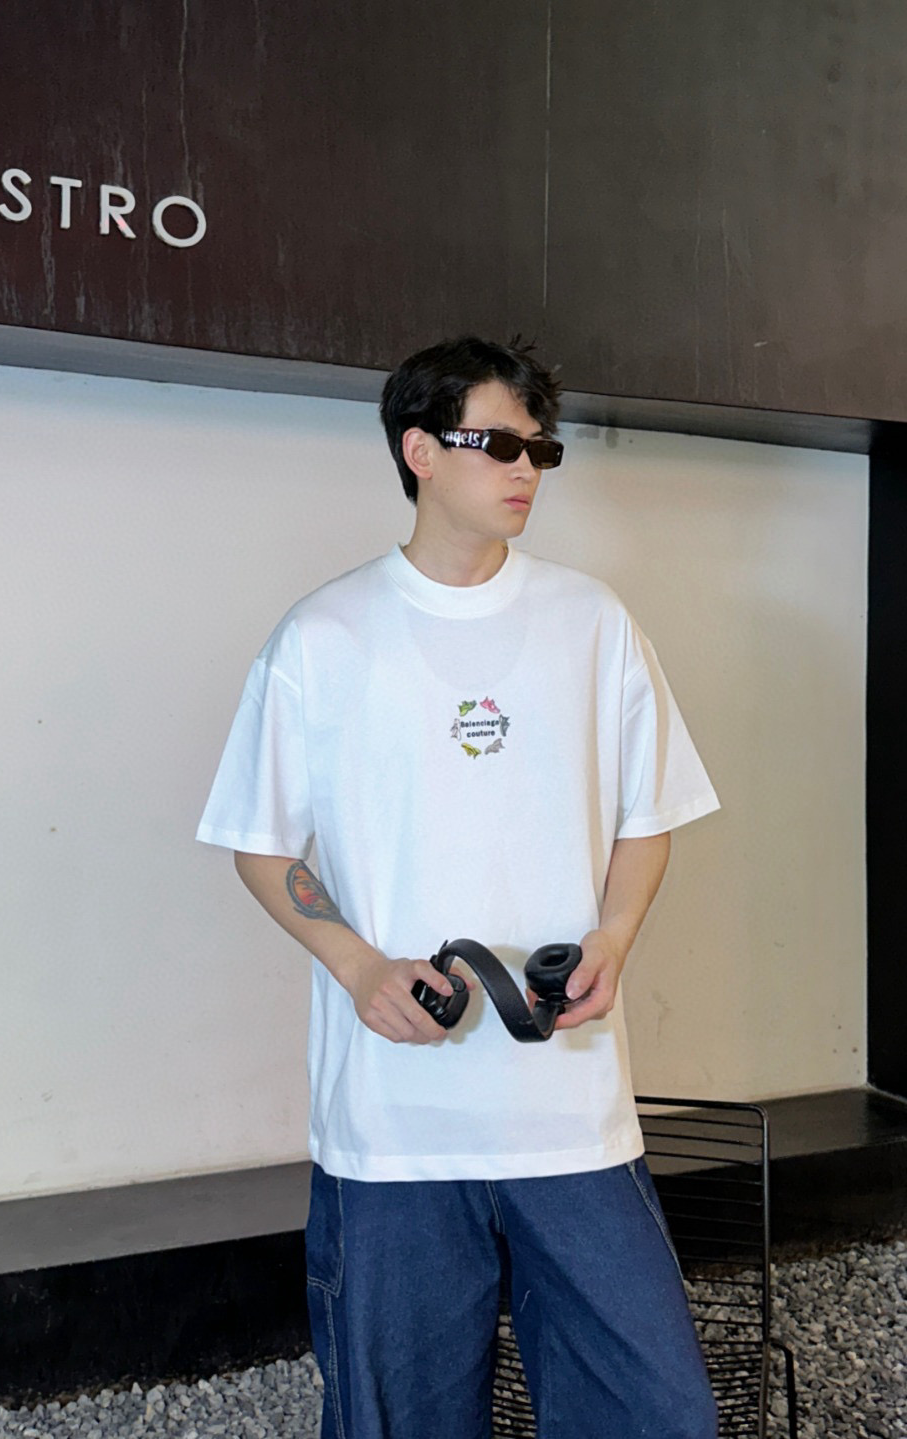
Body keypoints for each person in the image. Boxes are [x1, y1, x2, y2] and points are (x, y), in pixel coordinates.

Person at [197, 336, 721, 1439]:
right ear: (420, 450)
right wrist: (358, 967)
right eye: (499, 443)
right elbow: (259, 841)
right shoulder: (325, 636)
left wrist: (614, 936)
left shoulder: (594, 623)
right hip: (395, 1124)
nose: (526, 468)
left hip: (570, 1114)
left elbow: (649, 816)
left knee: (657, 1413)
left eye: (541, 448)